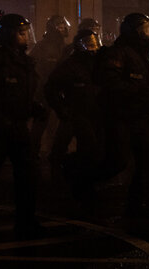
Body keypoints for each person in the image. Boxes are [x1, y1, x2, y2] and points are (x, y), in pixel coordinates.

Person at [94, 12, 149, 217]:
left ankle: (138, 202)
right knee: (118, 161)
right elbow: (109, 82)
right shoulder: (118, 53)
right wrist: (137, 90)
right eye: (145, 30)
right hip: (120, 117)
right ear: (134, 32)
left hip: (140, 117)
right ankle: (82, 179)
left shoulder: (145, 54)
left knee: (148, 159)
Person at [0, 14, 46, 239]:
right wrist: (1, 122)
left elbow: (22, 93)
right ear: (9, 35)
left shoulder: (26, 62)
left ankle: (26, 222)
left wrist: (34, 107)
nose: (25, 37)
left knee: (29, 175)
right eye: (21, 33)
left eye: (26, 32)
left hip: (18, 128)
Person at [44, 29, 104, 202]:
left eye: (95, 44)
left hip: (93, 114)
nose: (93, 49)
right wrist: (62, 109)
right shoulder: (70, 65)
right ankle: (61, 176)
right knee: (65, 143)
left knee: (91, 149)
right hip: (74, 112)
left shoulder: (98, 64)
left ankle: (74, 176)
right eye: (89, 45)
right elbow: (51, 88)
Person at [30, 15, 71, 159]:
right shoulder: (42, 46)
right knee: (42, 122)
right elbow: (34, 69)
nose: (64, 28)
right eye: (60, 26)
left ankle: (55, 152)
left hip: (59, 91)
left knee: (56, 123)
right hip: (44, 91)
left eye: (64, 25)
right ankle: (33, 153)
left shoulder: (65, 47)